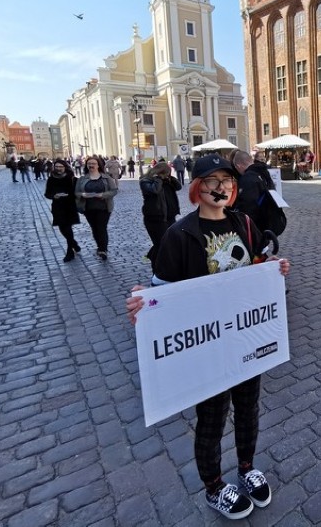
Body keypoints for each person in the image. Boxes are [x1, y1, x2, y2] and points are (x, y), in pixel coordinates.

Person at [124, 153, 290, 521]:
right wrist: (145, 305)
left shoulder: (243, 223)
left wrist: (275, 269)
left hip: (246, 338)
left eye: (227, 181)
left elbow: (254, 269)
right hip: (208, 346)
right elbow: (161, 291)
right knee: (213, 418)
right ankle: (214, 486)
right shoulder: (179, 234)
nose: (222, 187)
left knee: (248, 408)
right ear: (198, 188)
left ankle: (247, 468)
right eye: (213, 181)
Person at [140, 161, 181, 270]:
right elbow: (155, 190)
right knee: (161, 244)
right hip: (156, 219)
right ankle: (157, 268)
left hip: (170, 217)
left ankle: (163, 264)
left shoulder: (167, 180)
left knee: (170, 242)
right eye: (166, 173)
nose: (167, 175)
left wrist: (171, 178)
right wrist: (158, 179)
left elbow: (178, 187)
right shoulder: (145, 181)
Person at [75, 156, 118, 260]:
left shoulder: (106, 178)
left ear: (98, 165)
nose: (91, 165)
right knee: (94, 228)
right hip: (88, 208)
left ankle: (103, 249)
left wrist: (103, 195)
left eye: (93, 163)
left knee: (101, 227)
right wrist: (83, 194)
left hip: (103, 207)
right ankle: (99, 246)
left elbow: (114, 191)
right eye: (89, 164)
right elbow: (76, 192)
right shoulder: (82, 179)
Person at [45, 159, 81, 262]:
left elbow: (77, 192)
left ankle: (70, 252)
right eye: (57, 167)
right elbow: (47, 194)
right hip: (57, 207)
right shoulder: (51, 179)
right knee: (62, 228)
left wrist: (71, 196)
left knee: (68, 228)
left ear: (65, 167)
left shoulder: (72, 179)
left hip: (69, 206)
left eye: (60, 167)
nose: (58, 169)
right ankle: (74, 243)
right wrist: (54, 196)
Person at [232, 150, 276, 232]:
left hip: (255, 226)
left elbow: (247, 207)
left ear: (238, 166)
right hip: (268, 221)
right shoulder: (264, 172)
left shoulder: (247, 178)